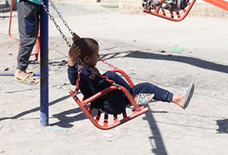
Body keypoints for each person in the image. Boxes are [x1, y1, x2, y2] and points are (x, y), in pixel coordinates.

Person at [67, 35, 195, 113]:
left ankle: (177, 99)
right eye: (96, 55)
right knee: (110, 77)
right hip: (110, 104)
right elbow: (73, 80)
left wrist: (79, 42)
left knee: (145, 85)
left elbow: (84, 56)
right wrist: (70, 61)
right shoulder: (82, 72)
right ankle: (132, 97)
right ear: (87, 59)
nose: (99, 56)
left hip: (115, 97)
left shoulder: (85, 64)